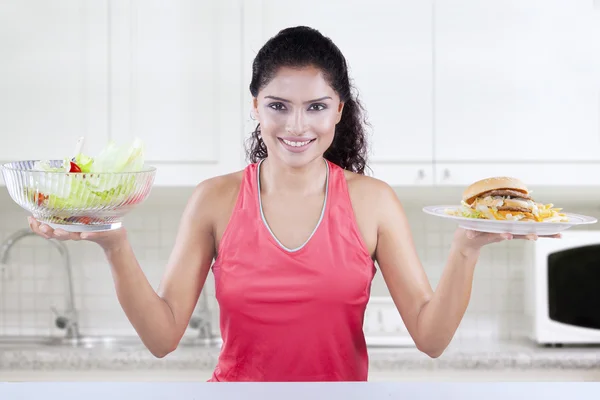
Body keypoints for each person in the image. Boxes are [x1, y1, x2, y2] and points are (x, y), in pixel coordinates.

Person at [27, 26, 558, 382]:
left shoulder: (372, 203)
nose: (297, 126)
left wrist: (466, 249)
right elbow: (163, 337)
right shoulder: (214, 200)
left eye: (316, 107)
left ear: (339, 111)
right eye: (279, 106)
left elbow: (432, 337)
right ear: (255, 106)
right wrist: (114, 244)